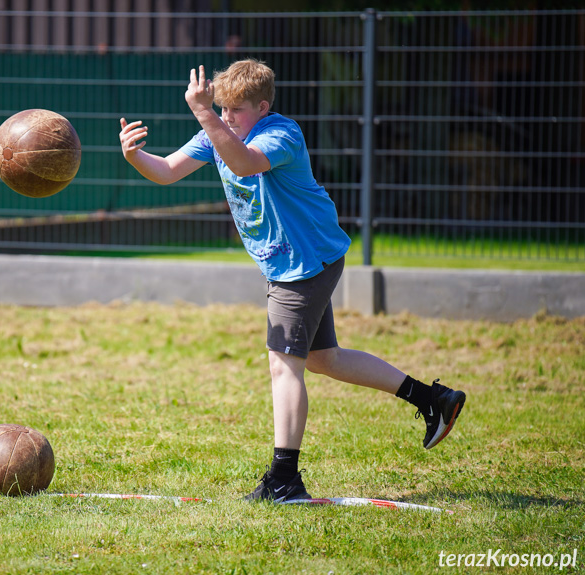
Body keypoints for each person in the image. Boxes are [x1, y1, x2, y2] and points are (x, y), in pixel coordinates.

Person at [118, 59, 466, 503]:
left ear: (262, 107)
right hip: (296, 262)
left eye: (235, 111)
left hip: (303, 264)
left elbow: (244, 165)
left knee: (284, 364)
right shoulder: (219, 131)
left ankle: (285, 478)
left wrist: (204, 112)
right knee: (325, 359)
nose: (226, 118)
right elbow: (167, 170)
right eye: (221, 109)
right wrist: (135, 157)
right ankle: (431, 399)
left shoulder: (281, 134)